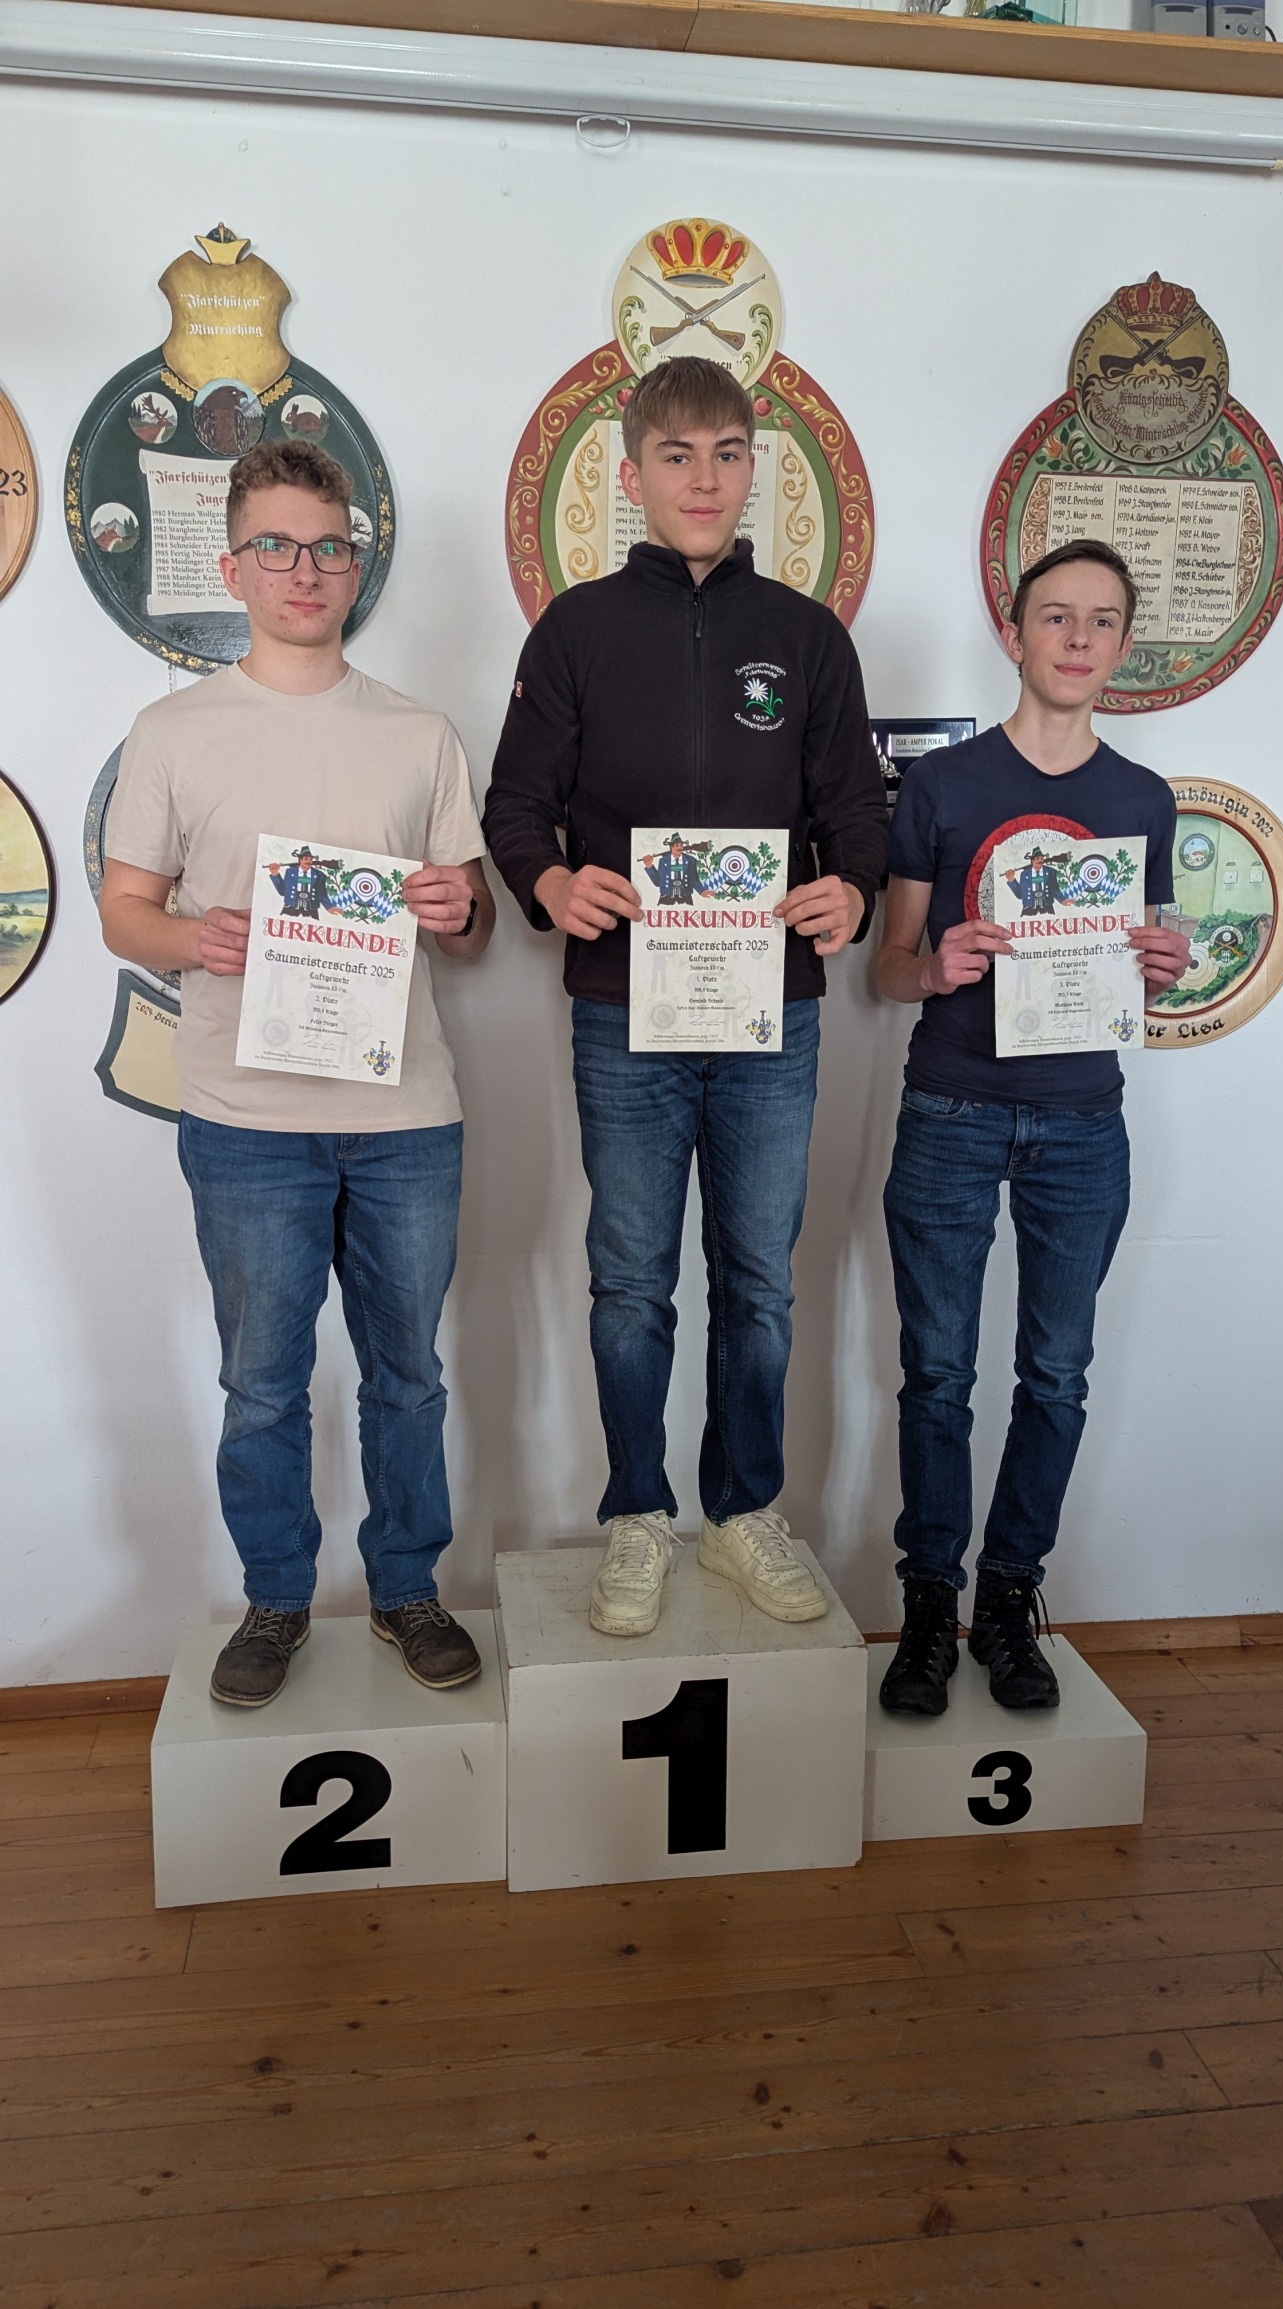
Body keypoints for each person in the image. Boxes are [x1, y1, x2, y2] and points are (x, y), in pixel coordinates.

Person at [484, 355, 887, 1638]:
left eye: (726, 454)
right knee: (630, 1280)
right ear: (633, 474)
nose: (703, 480)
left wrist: (855, 891)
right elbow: (513, 806)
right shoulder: (578, 631)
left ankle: (744, 1509)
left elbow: (858, 812)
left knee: (759, 1279)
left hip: (773, 1015)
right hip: (625, 1015)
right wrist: (550, 882)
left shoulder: (809, 639)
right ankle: (637, 1513)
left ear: (753, 467)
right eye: (677, 456)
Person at [99, 439, 495, 1706]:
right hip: (244, 1119)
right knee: (261, 1383)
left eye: (327, 547)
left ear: (355, 565)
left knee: (409, 1376)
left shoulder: (420, 733)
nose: (304, 569)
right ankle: (276, 1597)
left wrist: (458, 907)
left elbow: (474, 925)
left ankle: (406, 1587)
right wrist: (197, 937)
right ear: (232, 568)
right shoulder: (172, 731)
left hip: (405, 1117)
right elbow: (123, 913)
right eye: (275, 546)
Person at [875, 538, 1189, 1716]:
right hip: (951, 1110)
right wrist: (933, 963)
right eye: (1055, 615)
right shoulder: (944, 786)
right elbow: (885, 970)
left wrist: (1163, 965)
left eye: (1101, 620)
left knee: (1055, 1374)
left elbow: (1149, 962)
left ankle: (1009, 1599)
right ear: (1014, 633)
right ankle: (928, 1602)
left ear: (1122, 646)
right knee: (938, 1374)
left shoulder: (1141, 800)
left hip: (1081, 1123)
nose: (1077, 637)